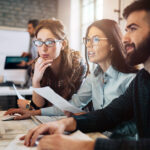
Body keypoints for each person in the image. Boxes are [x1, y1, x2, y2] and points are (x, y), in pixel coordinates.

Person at [18, 0, 150, 149]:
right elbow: (108, 114)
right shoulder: (141, 79)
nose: (125, 39)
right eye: (87, 39)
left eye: (133, 28)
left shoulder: (131, 78)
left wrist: (87, 145)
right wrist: (66, 122)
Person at [8, 19, 86, 111]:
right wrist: (36, 81)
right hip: (51, 118)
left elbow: (70, 108)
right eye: (39, 42)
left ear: (63, 44)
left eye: (49, 42)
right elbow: (39, 105)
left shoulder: (77, 64)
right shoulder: (37, 64)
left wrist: (29, 105)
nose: (43, 49)